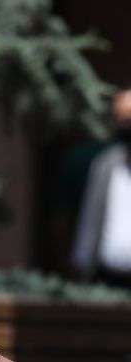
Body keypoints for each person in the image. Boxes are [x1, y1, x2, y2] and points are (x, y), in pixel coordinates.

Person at [72, 89, 131, 288]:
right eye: (123, 120)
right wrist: (83, 262)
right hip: (107, 277)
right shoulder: (106, 164)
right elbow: (90, 216)